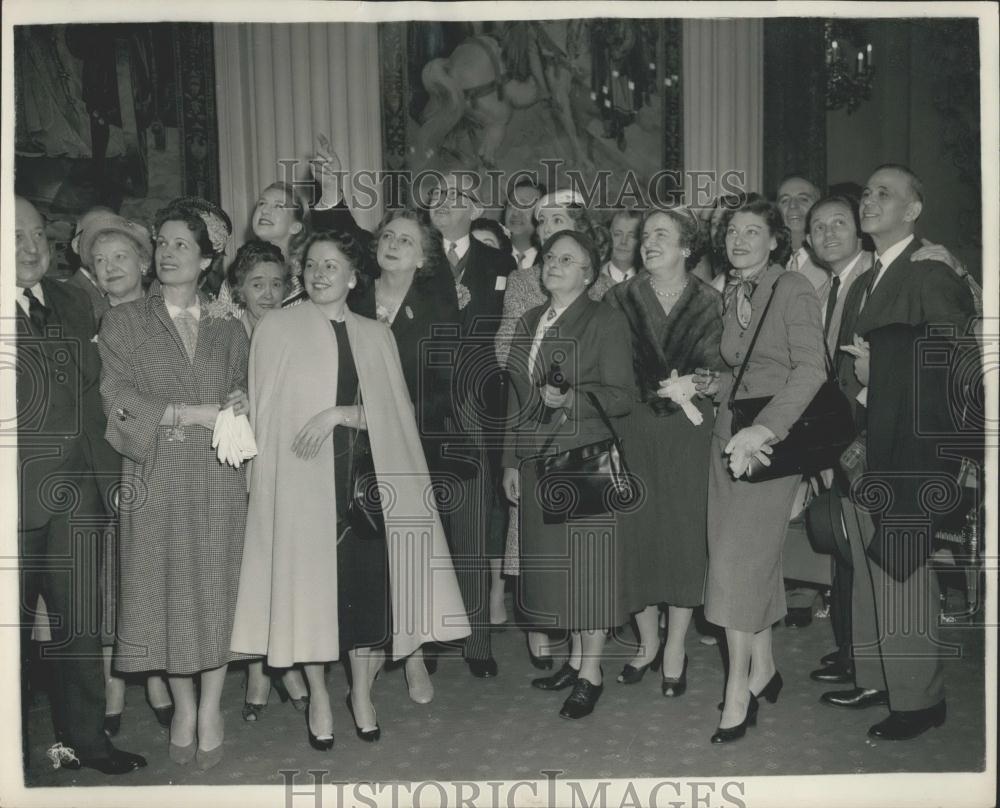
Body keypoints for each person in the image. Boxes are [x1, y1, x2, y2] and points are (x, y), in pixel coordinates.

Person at [231, 229, 470, 747]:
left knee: (365, 597)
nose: (319, 274)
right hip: (301, 487)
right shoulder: (275, 328)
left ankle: (360, 692)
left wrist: (341, 413)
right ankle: (319, 694)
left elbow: (398, 416)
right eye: (312, 265)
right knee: (308, 600)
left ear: (353, 277)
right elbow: (266, 414)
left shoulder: (374, 333)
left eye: (331, 266)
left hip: (365, 487)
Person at [822, 164, 976, 741]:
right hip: (868, 444)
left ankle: (919, 701)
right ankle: (877, 677)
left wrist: (878, 368)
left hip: (912, 448)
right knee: (868, 566)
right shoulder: (868, 278)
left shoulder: (929, 269)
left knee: (902, 568)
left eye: (885, 194)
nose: (869, 200)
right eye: (866, 192)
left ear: (913, 211)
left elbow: (955, 356)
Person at [99, 196, 249, 770]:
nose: (166, 253)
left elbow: (239, 393)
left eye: (181, 244)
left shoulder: (230, 327)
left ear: (208, 259)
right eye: (161, 242)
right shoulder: (126, 321)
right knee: (170, 598)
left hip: (218, 480)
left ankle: (211, 705)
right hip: (157, 478)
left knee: (217, 593)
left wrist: (239, 401)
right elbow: (118, 400)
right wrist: (190, 415)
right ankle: (182, 705)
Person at [15, 196, 147, 776]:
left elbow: (99, 399)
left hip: (79, 497)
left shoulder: (73, 300)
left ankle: (86, 742)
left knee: (81, 627)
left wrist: (114, 480)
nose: (30, 247)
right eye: (14, 235)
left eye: (38, 234)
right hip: (10, 504)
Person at [696, 197, 826, 744]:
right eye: (732, 231)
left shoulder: (792, 289)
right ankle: (766, 666)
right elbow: (744, 374)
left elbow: (810, 370)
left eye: (753, 231)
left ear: (776, 241)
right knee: (749, 560)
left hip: (768, 447)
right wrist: (706, 386)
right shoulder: (735, 292)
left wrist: (763, 430)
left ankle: (738, 690)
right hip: (729, 440)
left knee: (733, 567)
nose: (739, 239)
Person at [502, 230, 635, 720]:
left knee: (590, 572)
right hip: (537, 460)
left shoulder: (605, 320)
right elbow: (516, 400)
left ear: (588, 273)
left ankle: (592, 672)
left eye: (568, 259)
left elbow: (622, 396)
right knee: (563, 571)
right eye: (551, 256)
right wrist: (512, 463)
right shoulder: (530, 320)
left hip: (585, 457)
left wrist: (573, 398)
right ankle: (577, 660)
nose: (554, 264)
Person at [603, 207, 724, 695]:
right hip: (633, 428)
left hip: (689, 433)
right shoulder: (618, 298)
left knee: (682, 536)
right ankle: (646, 642)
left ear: (686, 247)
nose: (648, 242)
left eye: (660, 235)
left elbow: (727, 368)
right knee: (637, 536)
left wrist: (706, 382)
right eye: (643, 235)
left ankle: (675, 645)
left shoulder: (712, 301)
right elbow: (606, 369)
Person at [350, 208, 461, 704]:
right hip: (350, 447)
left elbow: (446, 389)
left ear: (424, 258)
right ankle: (366, 661)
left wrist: (395, 417)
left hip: (413, 448)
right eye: (388, 236)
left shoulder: (439, 308)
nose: (394, 244)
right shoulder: (350, 297)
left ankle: (413, 655)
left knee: (410, 556)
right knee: (366, 560)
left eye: (406, 241)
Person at [74, 212, 175, 734]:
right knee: (113, 573)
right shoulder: (84, 321)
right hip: (103, 462)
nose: (109, 267)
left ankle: (154, 675)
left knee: (153, 570)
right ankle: (119, 679)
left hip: (158, 456)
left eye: (119, 257)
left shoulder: (167, 316)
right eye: (98, 260)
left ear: (143, 262)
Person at [426, 171, 515, 677]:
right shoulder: (413, 257)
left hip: (478, 410)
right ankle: (433, 636)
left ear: (475, 206)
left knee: (475, 525)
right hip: (423, 408)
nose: (442, 203)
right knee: (428, 523)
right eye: (436, 196)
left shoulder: (499, 263)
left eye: (454, 196)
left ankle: (478, 640)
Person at [798, 194, 874, 686]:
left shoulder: (872, 280)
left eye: (839, 223)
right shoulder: (828, 287)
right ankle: (850, 649)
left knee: (864, 553)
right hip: (838, 433)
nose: (828, 234)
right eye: (819, 227)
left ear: (859, 230)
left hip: (867, 435)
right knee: (845, 550)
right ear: (807, 240)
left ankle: (863, 656)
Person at [226, 240, 289, 338]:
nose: (268, 295)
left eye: (276, 284)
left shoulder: (294, 336)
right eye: (258, 285)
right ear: (240, 292)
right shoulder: (228, 340)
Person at [504, 177, 545, 270]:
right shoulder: (490, 254)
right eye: (512, 204)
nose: (515, 213)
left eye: (525, 205)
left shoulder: (549, 261)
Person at [600, 208, 641, 284]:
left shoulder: (650, 282)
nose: (623, 241)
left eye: (632, 236)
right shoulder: (592, 281)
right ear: (609, 236)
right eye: (617, 234)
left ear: (640, 240)